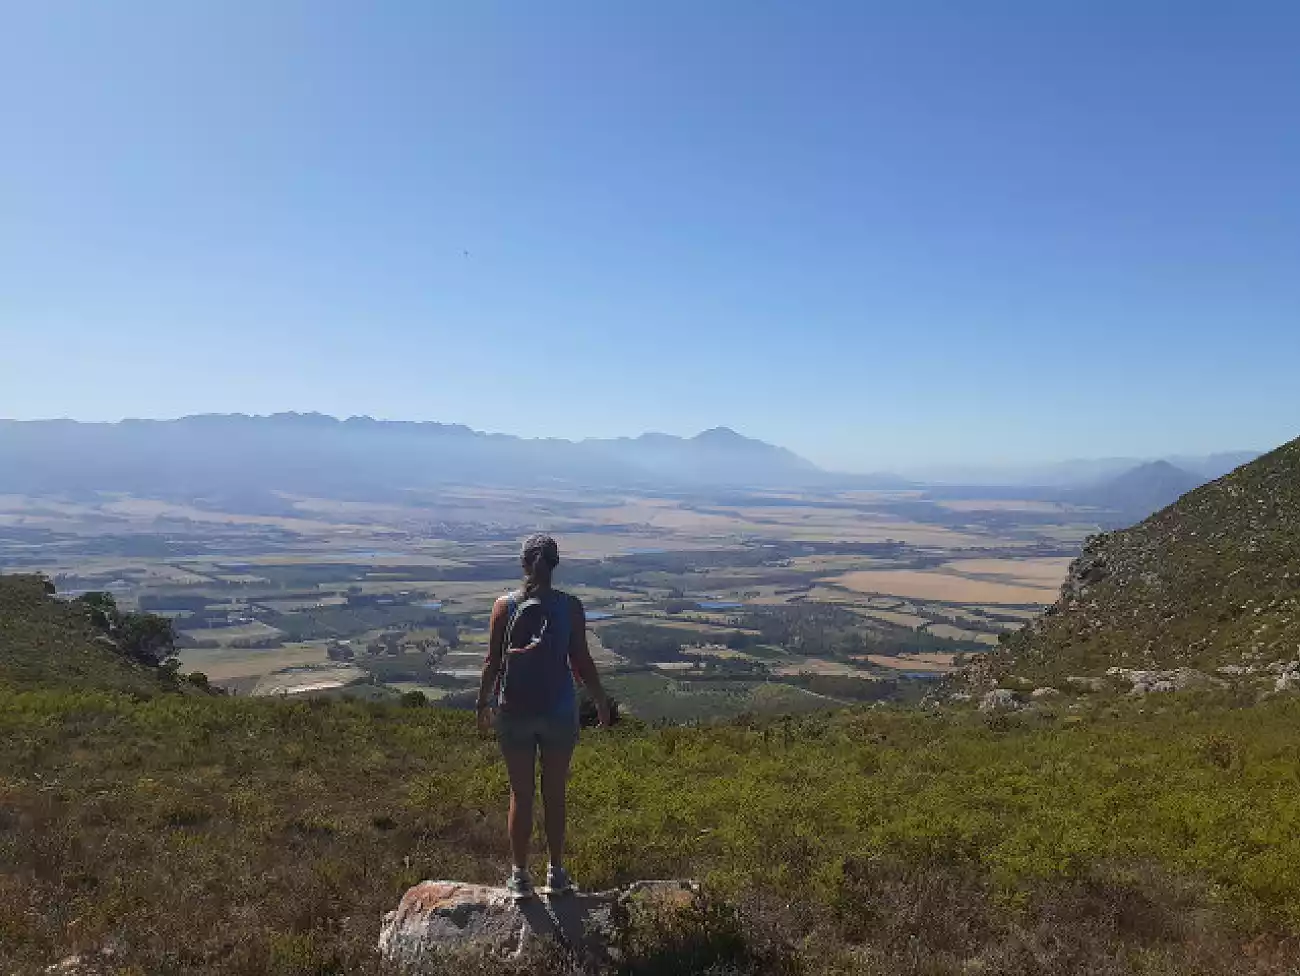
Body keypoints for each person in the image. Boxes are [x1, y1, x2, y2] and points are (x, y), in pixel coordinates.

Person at [476, 533, 612, 900]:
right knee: (555, 793)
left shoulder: (503, 606)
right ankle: (556, 874)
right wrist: (599, 699)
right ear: (554, 564)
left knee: (521, 793)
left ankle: (520, 877)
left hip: (513, 711)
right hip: (559, 712)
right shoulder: (570, 607)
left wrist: (482, 702)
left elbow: (492, 662)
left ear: (524, 563)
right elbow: (580, 661)